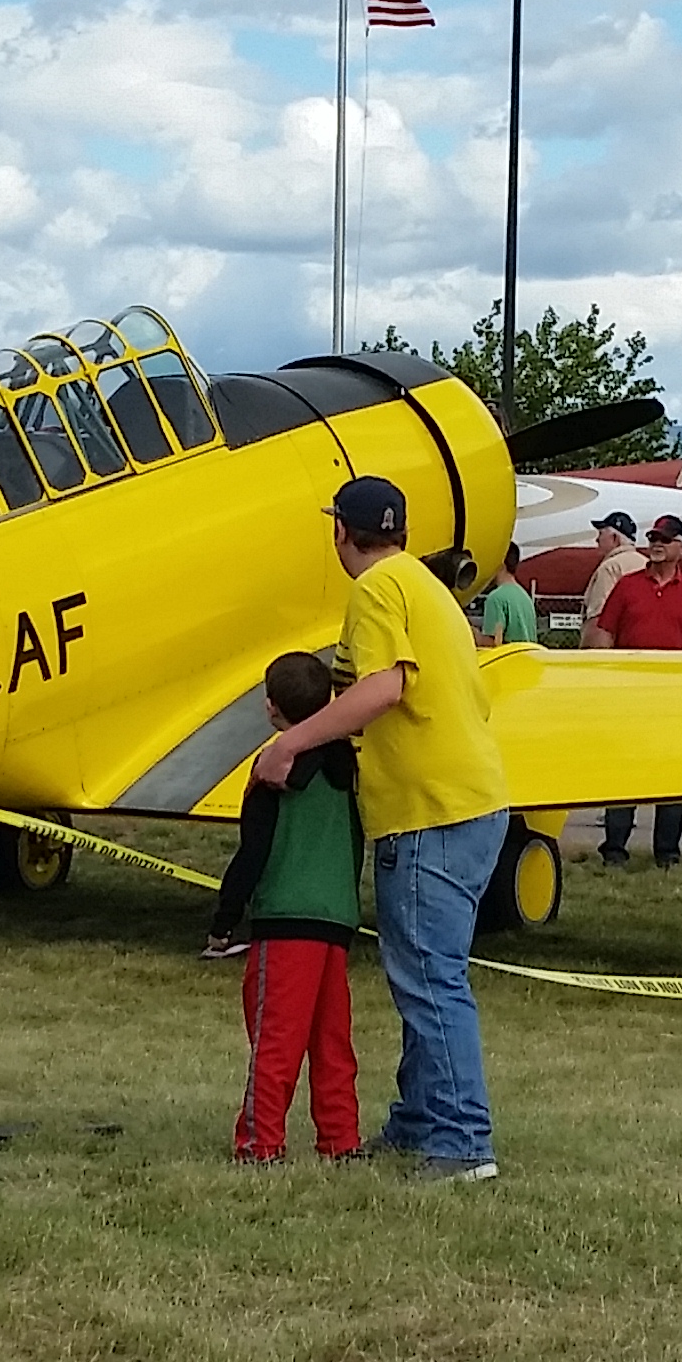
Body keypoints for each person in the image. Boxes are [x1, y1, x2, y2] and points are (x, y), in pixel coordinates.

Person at [252, 476, 508, 1183]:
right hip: (474, 799)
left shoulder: (374, 591)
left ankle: (459, 1143)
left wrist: (291, 742)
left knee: (430, 980)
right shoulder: (428, 588)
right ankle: (420, 1119)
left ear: (341, 533)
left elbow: (384, 686)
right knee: (423, 975)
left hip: (430, 810)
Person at [207, 650, 363, 1163]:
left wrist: (224, 921)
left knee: (275, 1042)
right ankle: (341, 1140)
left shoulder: (270, 774)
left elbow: (252, 853)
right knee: (332, 1042)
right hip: (336, 919)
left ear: (271, 708)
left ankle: (260, 1142)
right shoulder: (348, 768)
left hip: (286, 920)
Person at [587, 511, 682, 868]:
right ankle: (614, 848)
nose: (656, 545)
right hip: (630, 695)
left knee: (672, 777)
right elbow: (605, 634)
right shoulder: (627, 586)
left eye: (664, 540)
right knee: (624, 773)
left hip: (675, 699)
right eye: (653, 539)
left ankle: (667, 852)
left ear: (681, 548)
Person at [577, 512, 645, 636]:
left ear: (615, 538)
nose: (596, 539)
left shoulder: (610, 568)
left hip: (615, 649)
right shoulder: (647, 564)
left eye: (601, 533)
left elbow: (598, 619)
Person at [474, 544, 538, 649]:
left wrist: (474, 635)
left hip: (505, 662)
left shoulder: (496, 598)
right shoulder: (525, 597)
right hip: (525, 661)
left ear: (501, 565)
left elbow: (493, 643)